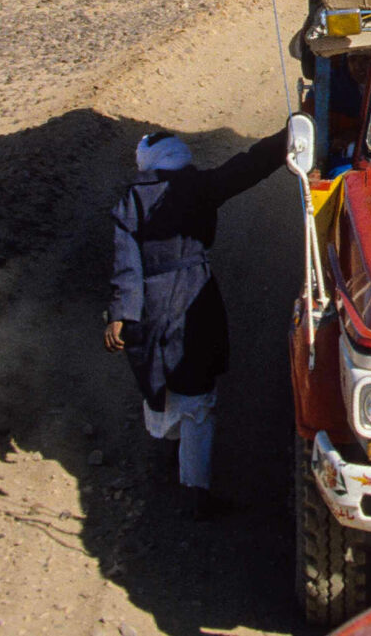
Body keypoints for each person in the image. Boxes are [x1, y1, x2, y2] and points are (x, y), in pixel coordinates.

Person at [105, 126, 287, 520]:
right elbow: (249, 166)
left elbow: (127, 264)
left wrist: (123, 313)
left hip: (151, 307)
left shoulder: (132, 199)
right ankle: (196, 490)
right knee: (197, 390)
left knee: (163, 380)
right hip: (194, 297)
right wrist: (291, 136)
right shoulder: (199, 186)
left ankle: (176, 456)